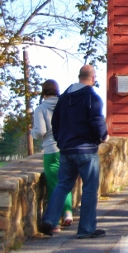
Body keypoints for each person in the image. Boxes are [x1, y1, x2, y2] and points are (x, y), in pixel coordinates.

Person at [39, 65, 109, 239]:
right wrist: (103, 136)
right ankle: (86, 229)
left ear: (79, 77)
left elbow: (56, 122)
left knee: (63, 185)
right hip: (86, 150)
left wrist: (61, 140)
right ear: (93, 78)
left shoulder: (64, 98)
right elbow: (96, 120)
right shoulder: (92, 97)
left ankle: (50, 220)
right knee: (90, 189)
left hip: (66, 150)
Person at [31, 79, 74, 230]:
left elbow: (40, 131)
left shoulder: (41, 109)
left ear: (43, 92)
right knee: (66, 182)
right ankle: (68, 213)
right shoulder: (66, 105)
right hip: (67, 148)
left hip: (51, 150)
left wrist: (32, 132)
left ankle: (54, 221)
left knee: (53, 185)